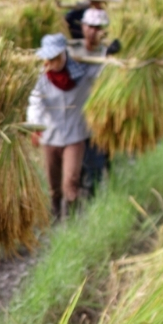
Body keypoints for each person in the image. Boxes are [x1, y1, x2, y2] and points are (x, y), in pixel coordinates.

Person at [27, 33, 104, 221]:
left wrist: (108, 52)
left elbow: (101, 68)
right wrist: (35, 127)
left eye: (55, 58)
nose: (51, 62)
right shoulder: (41, 78)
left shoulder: (82, 73)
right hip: (50, 137)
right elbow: (35, 103)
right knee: (54, 186)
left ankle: (71, 219)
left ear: (64, 55)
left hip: (75, 136)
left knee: (70, 182)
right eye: (48, 58)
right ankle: (55, 215)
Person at [70, 7, 121, 197]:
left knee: (96, 161)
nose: (94, 31)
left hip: (98, 118)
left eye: (98, 28)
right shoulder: (74, 52)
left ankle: (94, 198)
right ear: (83, 27)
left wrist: (111, 58)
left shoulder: (110, 55)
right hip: (75, 116)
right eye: (90, 26)